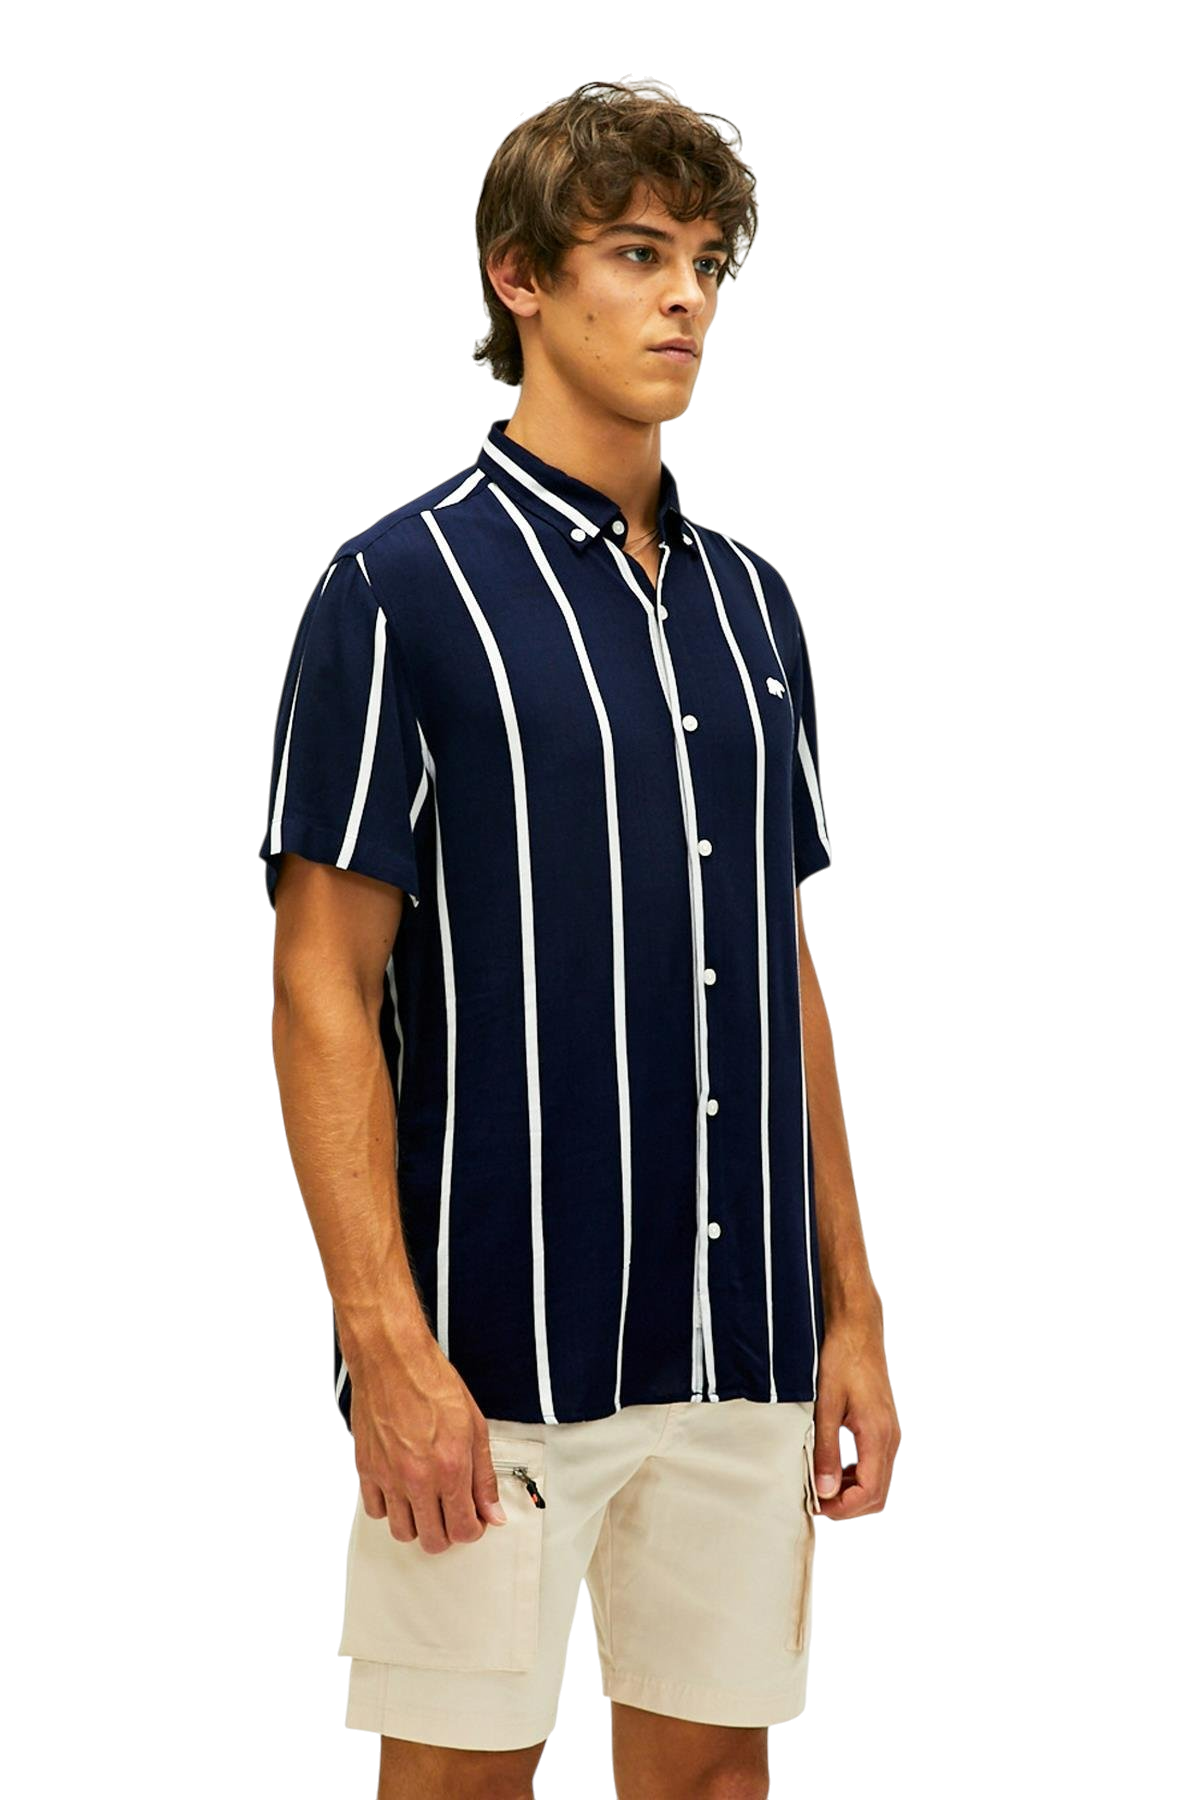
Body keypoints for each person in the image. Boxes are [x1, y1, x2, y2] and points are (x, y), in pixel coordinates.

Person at [263, 75, 900, 1800]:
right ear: (520, 276)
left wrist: (851, 1312)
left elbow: (781, 967)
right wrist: (383, 1344)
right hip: (494, 1357)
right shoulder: (400, 589)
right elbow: (321, 984)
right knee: (459, 1785)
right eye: (637, 252)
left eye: (707, 262)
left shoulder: (753, 604)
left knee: (709, 1780)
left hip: (747, 1350)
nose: (686, 296)